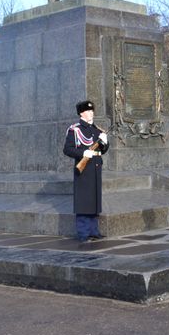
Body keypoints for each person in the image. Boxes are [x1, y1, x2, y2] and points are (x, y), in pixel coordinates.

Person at [63, 100, 109, 242]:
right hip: (83, 170)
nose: (91, 113)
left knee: (94, 200)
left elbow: (103, 150)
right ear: (81, 113)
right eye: (88, 111)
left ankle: (94, 231)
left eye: (92, 110)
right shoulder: (75, 129)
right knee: (84, 201)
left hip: (95, 168)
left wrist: (104, 142)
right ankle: (83, 233)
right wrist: (83, 153)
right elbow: (68, 149)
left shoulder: (97, 130)